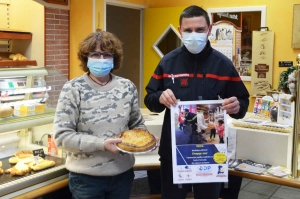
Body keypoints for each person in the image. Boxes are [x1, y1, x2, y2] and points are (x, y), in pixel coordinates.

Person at [144, 5, 249, 199]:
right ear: (180, 30)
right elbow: (150, 99)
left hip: (210, 150)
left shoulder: (223, 65)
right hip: (174, 149)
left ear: (209, 30)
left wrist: (237, 106)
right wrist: (159, 98)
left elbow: (242, 103)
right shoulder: (168, 62)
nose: (194, 34)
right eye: (188, 30)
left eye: (200, 30)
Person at [53, 29, 148, 199]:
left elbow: (137, 125)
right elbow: (62, 136)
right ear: (86, 58)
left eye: (107, 55)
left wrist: (144, 140)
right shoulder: (73, 89)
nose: (101, 60)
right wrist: (102, 144)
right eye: (95, 55)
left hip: (122, 175)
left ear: (114, 58)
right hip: (86, 181)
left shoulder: (127, 87)